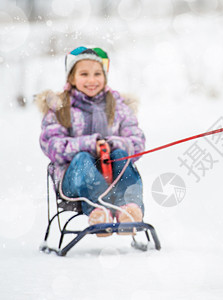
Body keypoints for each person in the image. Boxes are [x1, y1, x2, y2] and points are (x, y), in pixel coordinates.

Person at [37, 46, 145, 236]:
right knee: (82, 159)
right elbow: (52, 145)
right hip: (74, 184)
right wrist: (89, 145)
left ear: (105, 77)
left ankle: (129, 210)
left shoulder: (119, 106)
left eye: (97, 74)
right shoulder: (60, 108)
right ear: (71, 78)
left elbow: (137, 142)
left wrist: (110, 146)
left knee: (120, 155)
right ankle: (99, 211)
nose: (92, 80)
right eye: (84, 74)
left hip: (114, 179)